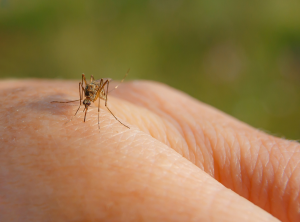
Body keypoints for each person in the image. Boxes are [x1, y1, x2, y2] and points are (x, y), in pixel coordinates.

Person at [0, 79, 299, 222]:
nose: (87, 104)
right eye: (87, 101)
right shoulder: (84, 95)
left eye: (89, 101)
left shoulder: (97, 94)